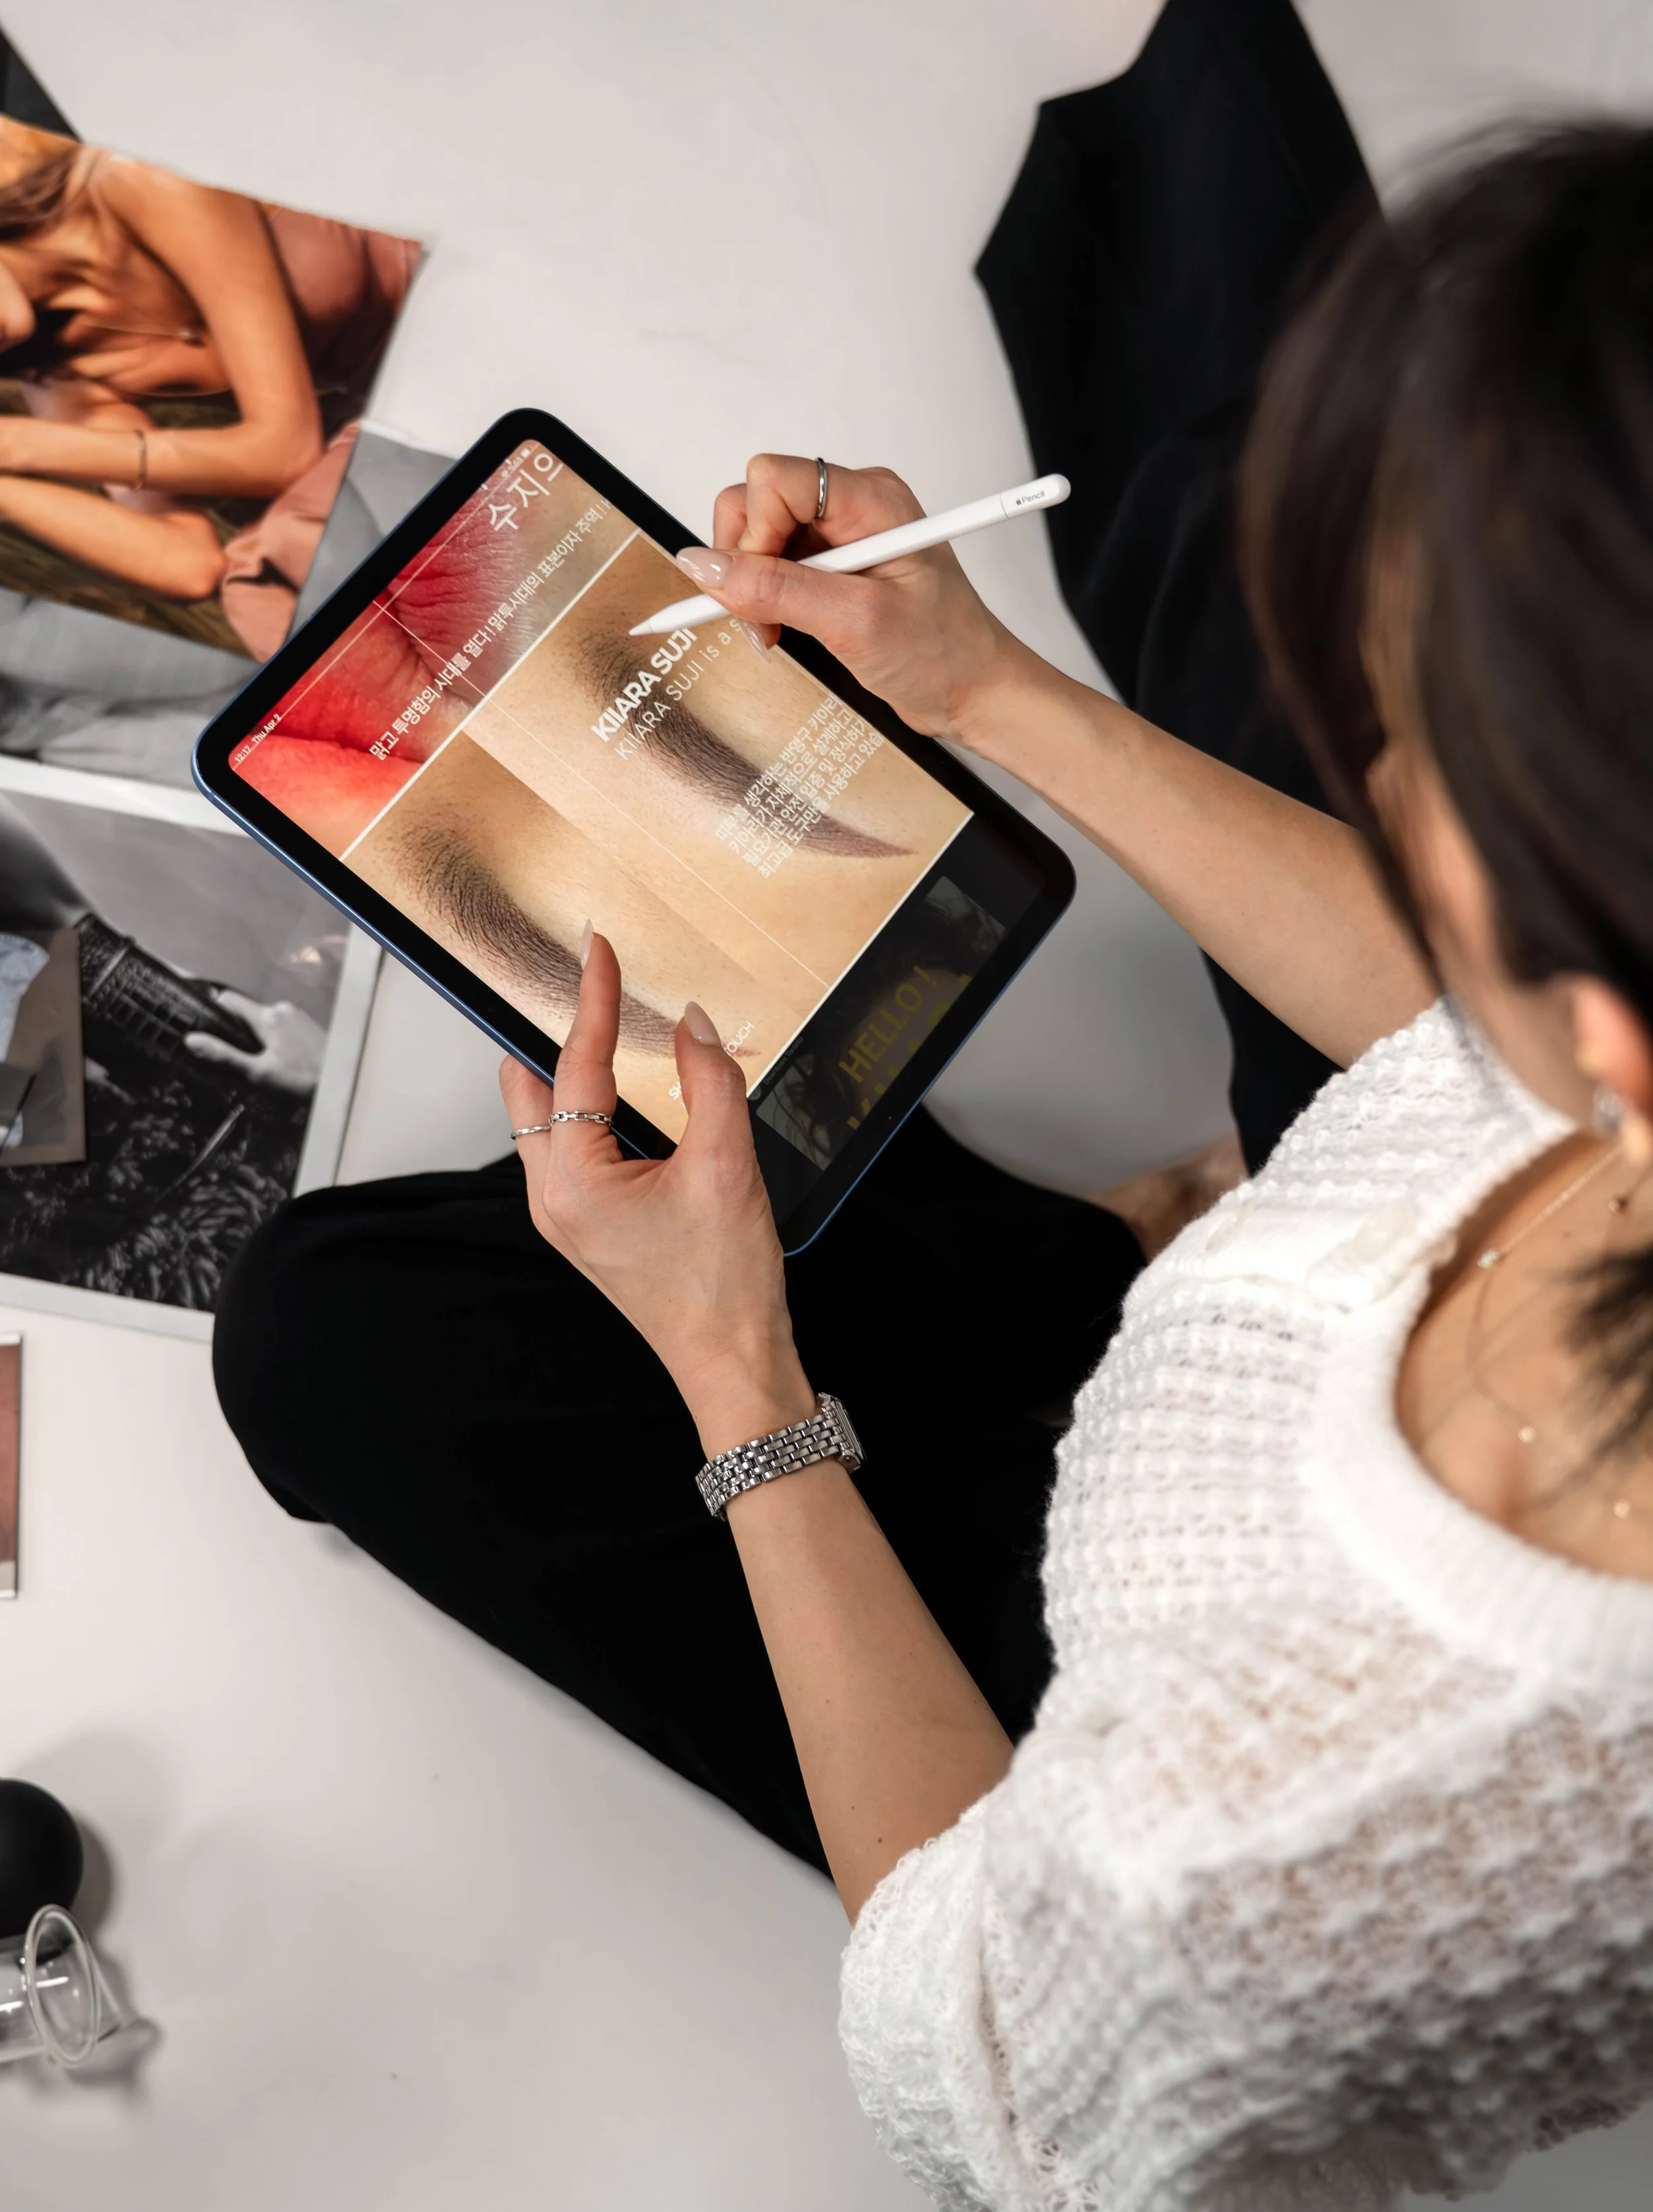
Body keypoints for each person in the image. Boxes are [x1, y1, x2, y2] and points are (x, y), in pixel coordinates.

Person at [213, 1, 1653, 2203]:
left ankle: (988, 1252)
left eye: (1423, 757)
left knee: (322, 1331)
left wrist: (737, 1369)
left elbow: (968, 2055)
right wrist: (982, 686)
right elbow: (1447, 1040)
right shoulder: (1569, 1054)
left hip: (1074, 1667)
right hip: (1257, 1328)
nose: (1390, 781)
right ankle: (1076, 1221)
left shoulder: (1310, 1821)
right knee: (780, 1056)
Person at [0, 119, 416, 655]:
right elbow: (187, 565)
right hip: (406, 408)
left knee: (285, 564)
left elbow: (284, 449)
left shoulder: (129, 181)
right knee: (268, 594)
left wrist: (19, 445)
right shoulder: (59, 371)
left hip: (467, 294)